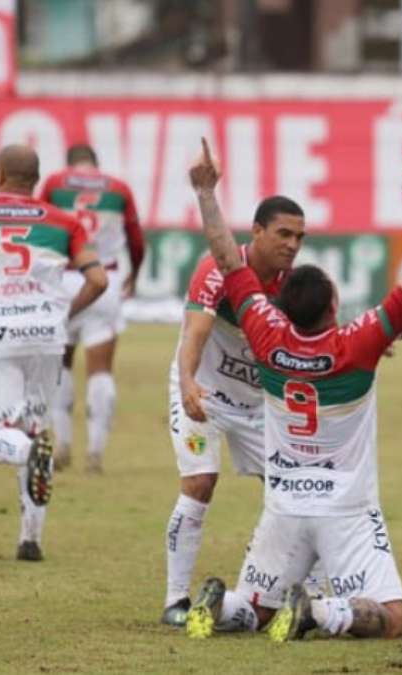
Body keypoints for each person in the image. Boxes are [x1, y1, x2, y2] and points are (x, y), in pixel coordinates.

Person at [181, 138, 402, 641]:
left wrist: (206, 194)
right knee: (392, 618)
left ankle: (224, 605)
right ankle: (318, 614)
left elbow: (229, 261)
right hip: (345, 510)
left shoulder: (265, 334)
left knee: (257, 609)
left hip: (283, 506)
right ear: (331, 307)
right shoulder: (357, 344)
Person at [0, 145, 108, 562]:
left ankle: (29, 453)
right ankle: (30, 540)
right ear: (37, 180)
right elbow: (98, 280)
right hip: (46, 336)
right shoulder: (64, 222)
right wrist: (64, 313)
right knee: (34, 427)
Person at [160, 193, 307, 626]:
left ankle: (301, 591)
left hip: (258, 405)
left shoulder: (295, 287)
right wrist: (188, 382)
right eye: (283, 234)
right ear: (257, 231)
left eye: (299, 237)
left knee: (295, 490)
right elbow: (195, 333)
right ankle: (175, 600)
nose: (292, 245)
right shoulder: (217, 270)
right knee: (200, 482)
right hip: (203, 393)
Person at [38, 144, 146, 473]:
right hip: (103, 279)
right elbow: (136, 239)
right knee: (101, 370)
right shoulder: (118, 188)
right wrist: (134, 274)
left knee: (61, 363)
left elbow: (38, 227)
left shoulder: (55, 183)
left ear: (69, 164)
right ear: (96, 164)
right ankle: (95, 451)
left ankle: (63, 442)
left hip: (63, 278)